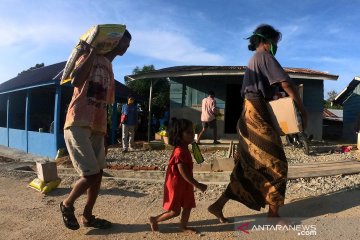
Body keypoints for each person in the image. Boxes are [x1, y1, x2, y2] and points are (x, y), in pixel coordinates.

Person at [208, 24, 307, 224]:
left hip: (249, 114)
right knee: (277, 164)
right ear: (267, 41)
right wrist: (302, 109)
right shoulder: (265, 56)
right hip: (256, 116)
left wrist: (273, 95)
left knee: (248, 166)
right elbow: (287, 84)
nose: (275, 46)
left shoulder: (254, 60)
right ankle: (273, 215)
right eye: (275, 42)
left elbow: (263, 90)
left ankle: (217, 205)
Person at [59, 29, 132, 230]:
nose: (126, 47)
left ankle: (88, 216)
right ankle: (67, 204)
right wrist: (91, 52)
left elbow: (105, 102)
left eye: (128, 45)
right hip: (78, 122)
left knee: (98, 174)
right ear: (113, 42)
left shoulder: (109, 66)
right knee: (90, 174)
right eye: (124, 43)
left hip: (97, 125)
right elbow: (76, 81)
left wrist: (105, 130)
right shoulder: (89, 56)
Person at [149, 118, 208, 233]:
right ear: (179, 135)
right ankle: (155, 219)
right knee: (175, 211)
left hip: (186, 183)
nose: (192, 134)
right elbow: (182, 172)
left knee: (188, 205)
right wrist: (198, 184)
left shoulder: (185, 148)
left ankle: (183, 226)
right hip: (176, 184)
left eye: (192, 131)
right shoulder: (179, 152)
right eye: (189, 132)